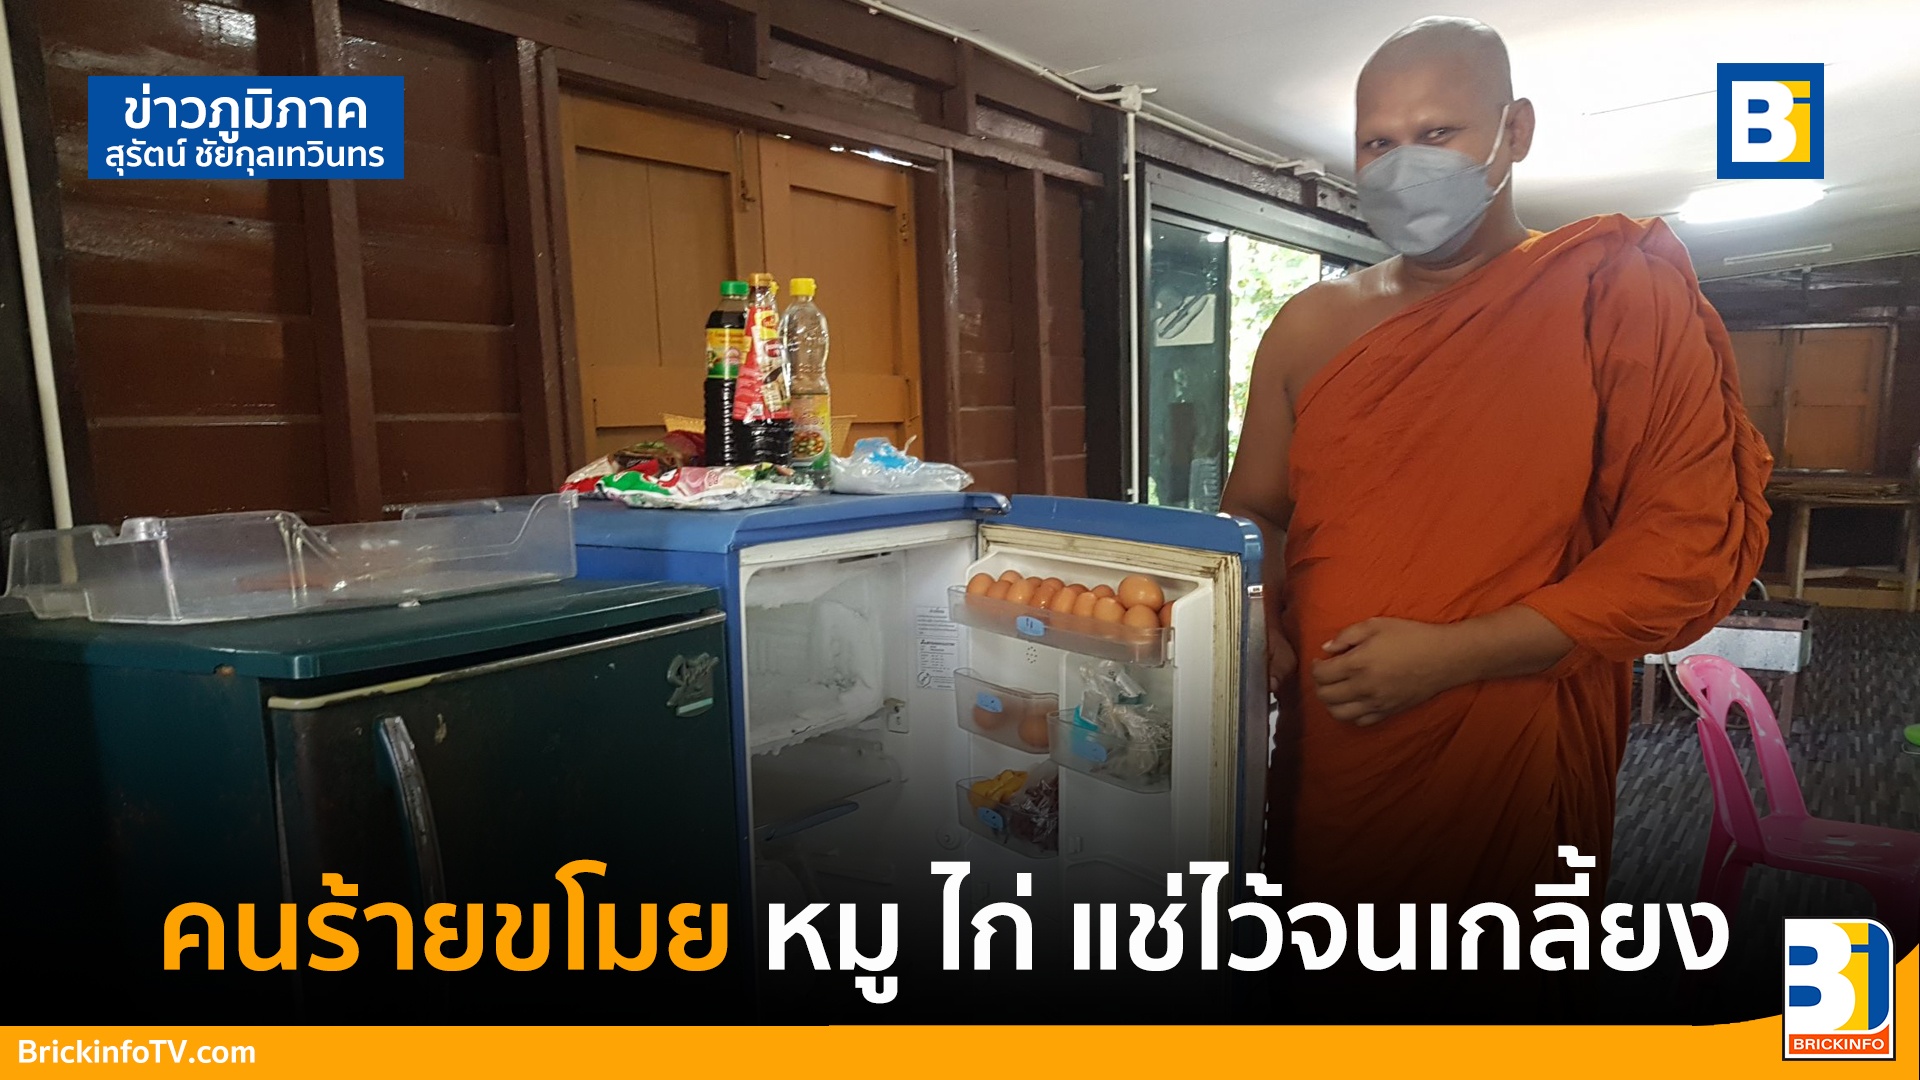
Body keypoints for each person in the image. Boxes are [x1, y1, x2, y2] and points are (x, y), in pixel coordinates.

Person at [1221, 16, 1772, 911]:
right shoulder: (1308, 326)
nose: (1404, 164)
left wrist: (1455, 655)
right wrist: (1255, 619)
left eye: (1438, 132)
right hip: (1336, 737)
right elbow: (1257, 511)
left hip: (1513, 740)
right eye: (1378, 143)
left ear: (1515, 131)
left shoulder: (1611, 292)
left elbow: (1687, 550)